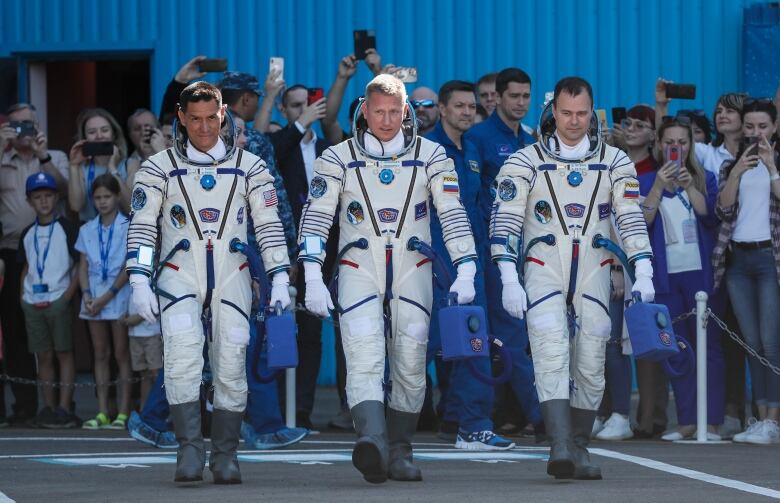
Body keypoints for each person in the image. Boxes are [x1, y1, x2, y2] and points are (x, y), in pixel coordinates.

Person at [300, 74, 477, 483]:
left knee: (411, 366)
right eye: (378, 111)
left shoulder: (432, 156)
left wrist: (466, 266)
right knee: (363, 355)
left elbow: (452, 213)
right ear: (365, 110)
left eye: (394, 112)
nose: (385, 120)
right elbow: (316, 219)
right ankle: (373, 442)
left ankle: (400, 449)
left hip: (413, 270)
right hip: (357, 268)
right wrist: (311, 274)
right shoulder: (337, 158)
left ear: (406, 112)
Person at [490, 77, 655, 480]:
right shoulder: (524, 161)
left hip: (595, 267)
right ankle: (560, 445)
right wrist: (509, 276)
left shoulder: (614, 161)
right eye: (566, 113)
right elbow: (505, 222)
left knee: (593, 354)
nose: (574, 121)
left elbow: (630, 218)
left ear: (592, 112)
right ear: (552, 112)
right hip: (543, 266)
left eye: (582, 113)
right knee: (549, 348)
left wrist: (643, 268)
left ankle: (578, 446)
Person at [127, 81, 291, 484]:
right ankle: (189, 450)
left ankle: (225, 454)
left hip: (232, 274)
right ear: (181, 118)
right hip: (179, 274)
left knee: (231, 362)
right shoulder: (157, 168)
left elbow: (269, 227)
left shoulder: (249, 166)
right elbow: (143, 227)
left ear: (224, 116)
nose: (204, 128)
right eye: (194, 120)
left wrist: (281, 276)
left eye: (211, 119)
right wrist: (138, 279)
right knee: (182, 359)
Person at [425, 79, 514, 450]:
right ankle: (384, 423)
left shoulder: (474, 148)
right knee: (418, 346)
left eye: (470, 107)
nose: (465, 112)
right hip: (432, 262)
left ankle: (469, 424)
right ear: (442, 109)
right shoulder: (427, 150)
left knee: (473, 339)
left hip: (472, 261)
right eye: (458, 106)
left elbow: (480, 206)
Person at [464, 67, 542, 437]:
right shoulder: (478, 137)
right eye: (514, 96)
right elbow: (472, 198)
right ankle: (544, 418)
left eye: (526, 96)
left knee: (523, 337)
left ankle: (520, 413)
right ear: (497, 97)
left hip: (529, 252)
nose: (521, 103)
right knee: (508, 337)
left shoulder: (530, 141)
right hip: (492, 254)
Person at [639, 116, 724, 441]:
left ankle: (712, 421)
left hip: (700, 277)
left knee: (709, 349)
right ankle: (688, 420)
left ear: (691, 145)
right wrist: (660, 186)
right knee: (677, 348)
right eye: (670, 142)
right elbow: (641, 222)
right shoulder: (646, 181)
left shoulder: (706, 179)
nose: (676, 148)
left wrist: (688, 184)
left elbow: (708, 214)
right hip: (665, 277)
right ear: (660, 145)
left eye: (682, 142)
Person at [713, 98, 780, 445]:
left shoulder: (776, 163)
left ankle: (773, 419)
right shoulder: (730, 165)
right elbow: (723, 210)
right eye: (750, 127)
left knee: (771, 342)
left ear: (775, 127)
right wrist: (738, 171)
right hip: (738, 260)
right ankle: (760, 416)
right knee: (752, 343)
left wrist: (770, 168)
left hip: (770, 259)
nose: (756, 133)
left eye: (763, 127)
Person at [0, 103, 69, 425]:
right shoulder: (3, 158)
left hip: (53, 251)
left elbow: (66, 191)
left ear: (38, 124)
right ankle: (26, 406)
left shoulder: (54, 157)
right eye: (16, 125)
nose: (23, 130)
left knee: (57, 336)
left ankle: (60, 405)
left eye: (28, 124)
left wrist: (42, 156)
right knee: (14, 331)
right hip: (11, 251)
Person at [18, 172, 80, 428]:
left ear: (56, 198)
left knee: (64, 352)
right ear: (29, 201)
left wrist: (67, 296)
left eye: (48, 196)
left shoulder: (66, 227)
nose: (43, 201)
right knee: (42, 355)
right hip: (33, 300)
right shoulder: (27, 233)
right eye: (37, 197)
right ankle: (48, 406)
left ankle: (65, 407)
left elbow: (79, 264)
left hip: (58, 297)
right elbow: (26, 266)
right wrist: (23, 296)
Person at [77, 174, 132, 430]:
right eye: (97, 197)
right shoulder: (87, 229)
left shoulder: (128, 225)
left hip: (117, 296)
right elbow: (83, 265)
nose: (102, 202)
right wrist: (87, 295)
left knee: (121, 354)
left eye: (107, 196)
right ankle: (101, 411)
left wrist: (106, 296)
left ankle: (123, 412)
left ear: (117, 196)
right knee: (100, 354)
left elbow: (128, 266)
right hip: (92, 298)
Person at [67, 108, 130, 221]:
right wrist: (73, 165)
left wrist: (112, 168)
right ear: (85, 138)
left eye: (105, 130)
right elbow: (76, 206)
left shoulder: (130, 164)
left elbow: (132, 207)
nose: (99, 136)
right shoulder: (81, 167)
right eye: (92, 132)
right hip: (90, 235)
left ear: (114, 134)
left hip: (123, 233)